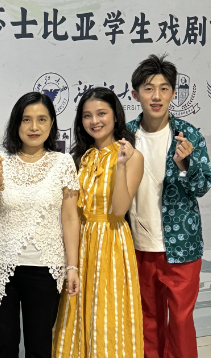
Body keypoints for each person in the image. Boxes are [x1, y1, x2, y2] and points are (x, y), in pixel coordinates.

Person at [0, 92, 80, 358]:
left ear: (52, 123)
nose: (34, 127)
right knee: (4, 348)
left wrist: (72, 266)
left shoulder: (63, 163)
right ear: (16, 123)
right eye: (26, 119)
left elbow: (70, 218)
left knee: (40, 349)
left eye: (42, 119)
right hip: (0, 265)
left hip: (45, 269)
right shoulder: (0, 160)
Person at [127, 55, 211, 358]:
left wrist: (185, 165)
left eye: (164, 88)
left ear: (173, 93)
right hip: (137, 246)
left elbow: (202, 186)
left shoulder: (188, 135)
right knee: (147, 322)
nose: (157, 96)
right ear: (135, 94)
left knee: (179, 322)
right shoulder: (124, 136)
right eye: (149, 89)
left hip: (182, 246)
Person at [53, 87, 145, 358]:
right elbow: (70, 212)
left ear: (115, 116)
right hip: (80, 242)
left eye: (101, 113)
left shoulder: (133, 156)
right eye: (87, 115)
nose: (94, 121)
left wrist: (120, 165)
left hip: (112, 242)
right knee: (76, 315)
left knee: (108, 315)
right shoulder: (80, 158)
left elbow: (119, 210)